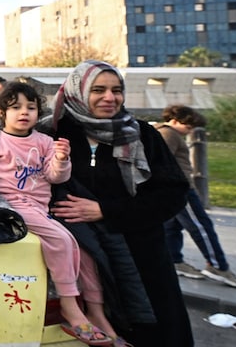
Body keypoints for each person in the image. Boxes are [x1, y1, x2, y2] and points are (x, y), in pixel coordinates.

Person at [39, 60, 193, 347]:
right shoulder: (50, 134)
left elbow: (173, 193)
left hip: (141, 258)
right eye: (98, 89)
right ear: (78, 92)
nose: (110, 98)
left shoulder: (141, 135)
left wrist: (105, 211)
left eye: (116, 90)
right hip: (79, 259)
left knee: (153, 333)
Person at [0, 81, 124, 346]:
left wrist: (61, 159)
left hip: (40, 210)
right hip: (11, 206)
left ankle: (97, 312)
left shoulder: (44, 141)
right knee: (63, 241)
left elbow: (54, 177)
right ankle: (69, 306)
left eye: (31, 107)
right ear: (1, 112)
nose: (24, 112)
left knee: (84, 254)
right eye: (15, 107)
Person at [155, 104, 236, 288]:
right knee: (201, 226)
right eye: (188, 127)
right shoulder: (169, 134)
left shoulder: (162, 132)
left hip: (172, 189)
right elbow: (160, 162)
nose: (189, 132)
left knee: (172, 227)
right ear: (174, 120)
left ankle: (174, 260)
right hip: (179, 189)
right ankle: (218, 266)